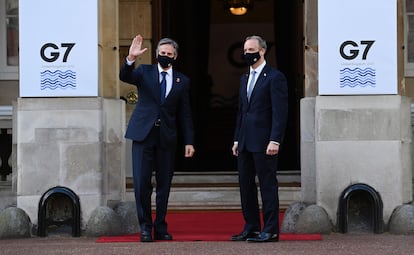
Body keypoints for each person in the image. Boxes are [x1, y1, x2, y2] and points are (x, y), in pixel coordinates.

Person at [119, 34, 195, 242]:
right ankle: (145, 226)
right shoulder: (144, 72)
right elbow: (125, 76)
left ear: (175, 57)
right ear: (156, 54)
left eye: (169, 54)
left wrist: (189, 141)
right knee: (142, 182)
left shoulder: (182, 81)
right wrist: (130, 59)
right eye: (162, 53)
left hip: (167, 138)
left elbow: (185, 113)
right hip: (143, 135)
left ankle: (160, 226)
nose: (165, 57)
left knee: (164, 184)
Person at [231, 35, 288, 242]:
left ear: (262, 51)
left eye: (251, 50)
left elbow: (279, 113)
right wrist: (237, 139)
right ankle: (252, 227)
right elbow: (241, 111)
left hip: (265, 142)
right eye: (245, 50)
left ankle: (271, 230)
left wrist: (275, 140)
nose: (248, 54)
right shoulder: (244, 78)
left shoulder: (275, 77)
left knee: (267, 185)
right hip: (245, 141)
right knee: (245, 185)